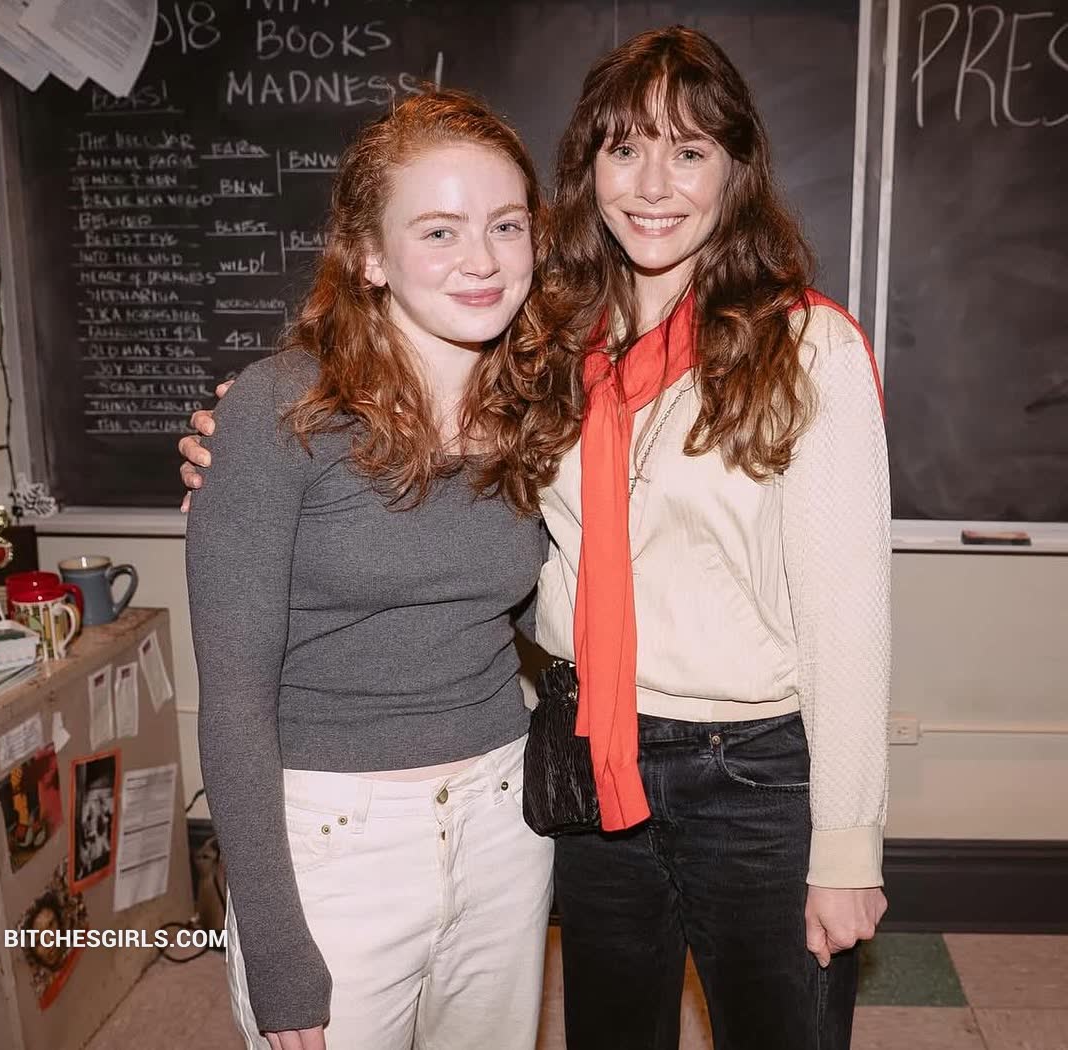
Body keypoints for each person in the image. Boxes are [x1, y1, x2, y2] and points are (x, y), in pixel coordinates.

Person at [182, 26, 891, 1050]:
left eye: (691, 151)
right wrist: (239, 442)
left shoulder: (803, 345)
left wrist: (850, 844)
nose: (654, 184)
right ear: (587, 170)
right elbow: (419, 477)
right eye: (624, 149)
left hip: (749, 774)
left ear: (735, 171)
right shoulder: (550, 349)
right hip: (584, 760)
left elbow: (850, 618)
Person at [184, 91, 579, 1050]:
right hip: (333, 844)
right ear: (369, 255)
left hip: (504, 821)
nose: (482, 260)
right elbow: (232, 703)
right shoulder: (280, 410)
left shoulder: (538, 409)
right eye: (438, 231)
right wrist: (276, 951)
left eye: (506, 225)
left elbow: (543, 604)